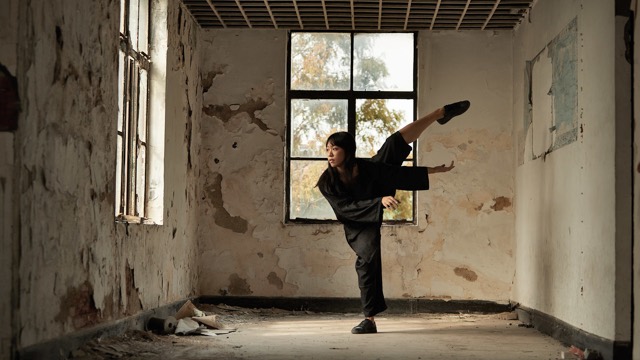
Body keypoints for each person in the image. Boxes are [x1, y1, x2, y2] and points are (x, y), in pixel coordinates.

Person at [316, 100, 471, 334]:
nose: (329, 153)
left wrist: (434, 170)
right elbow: (345, 208)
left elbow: (396, 174)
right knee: (367, 261)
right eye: (327, 148)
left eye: (335, 148)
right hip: (358, 221)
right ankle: (369, 319)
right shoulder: (326, 181)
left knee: (391, 145)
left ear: (347, 151)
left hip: (374, 189)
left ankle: (439, 113)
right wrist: (378, 201)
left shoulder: (366, 168)